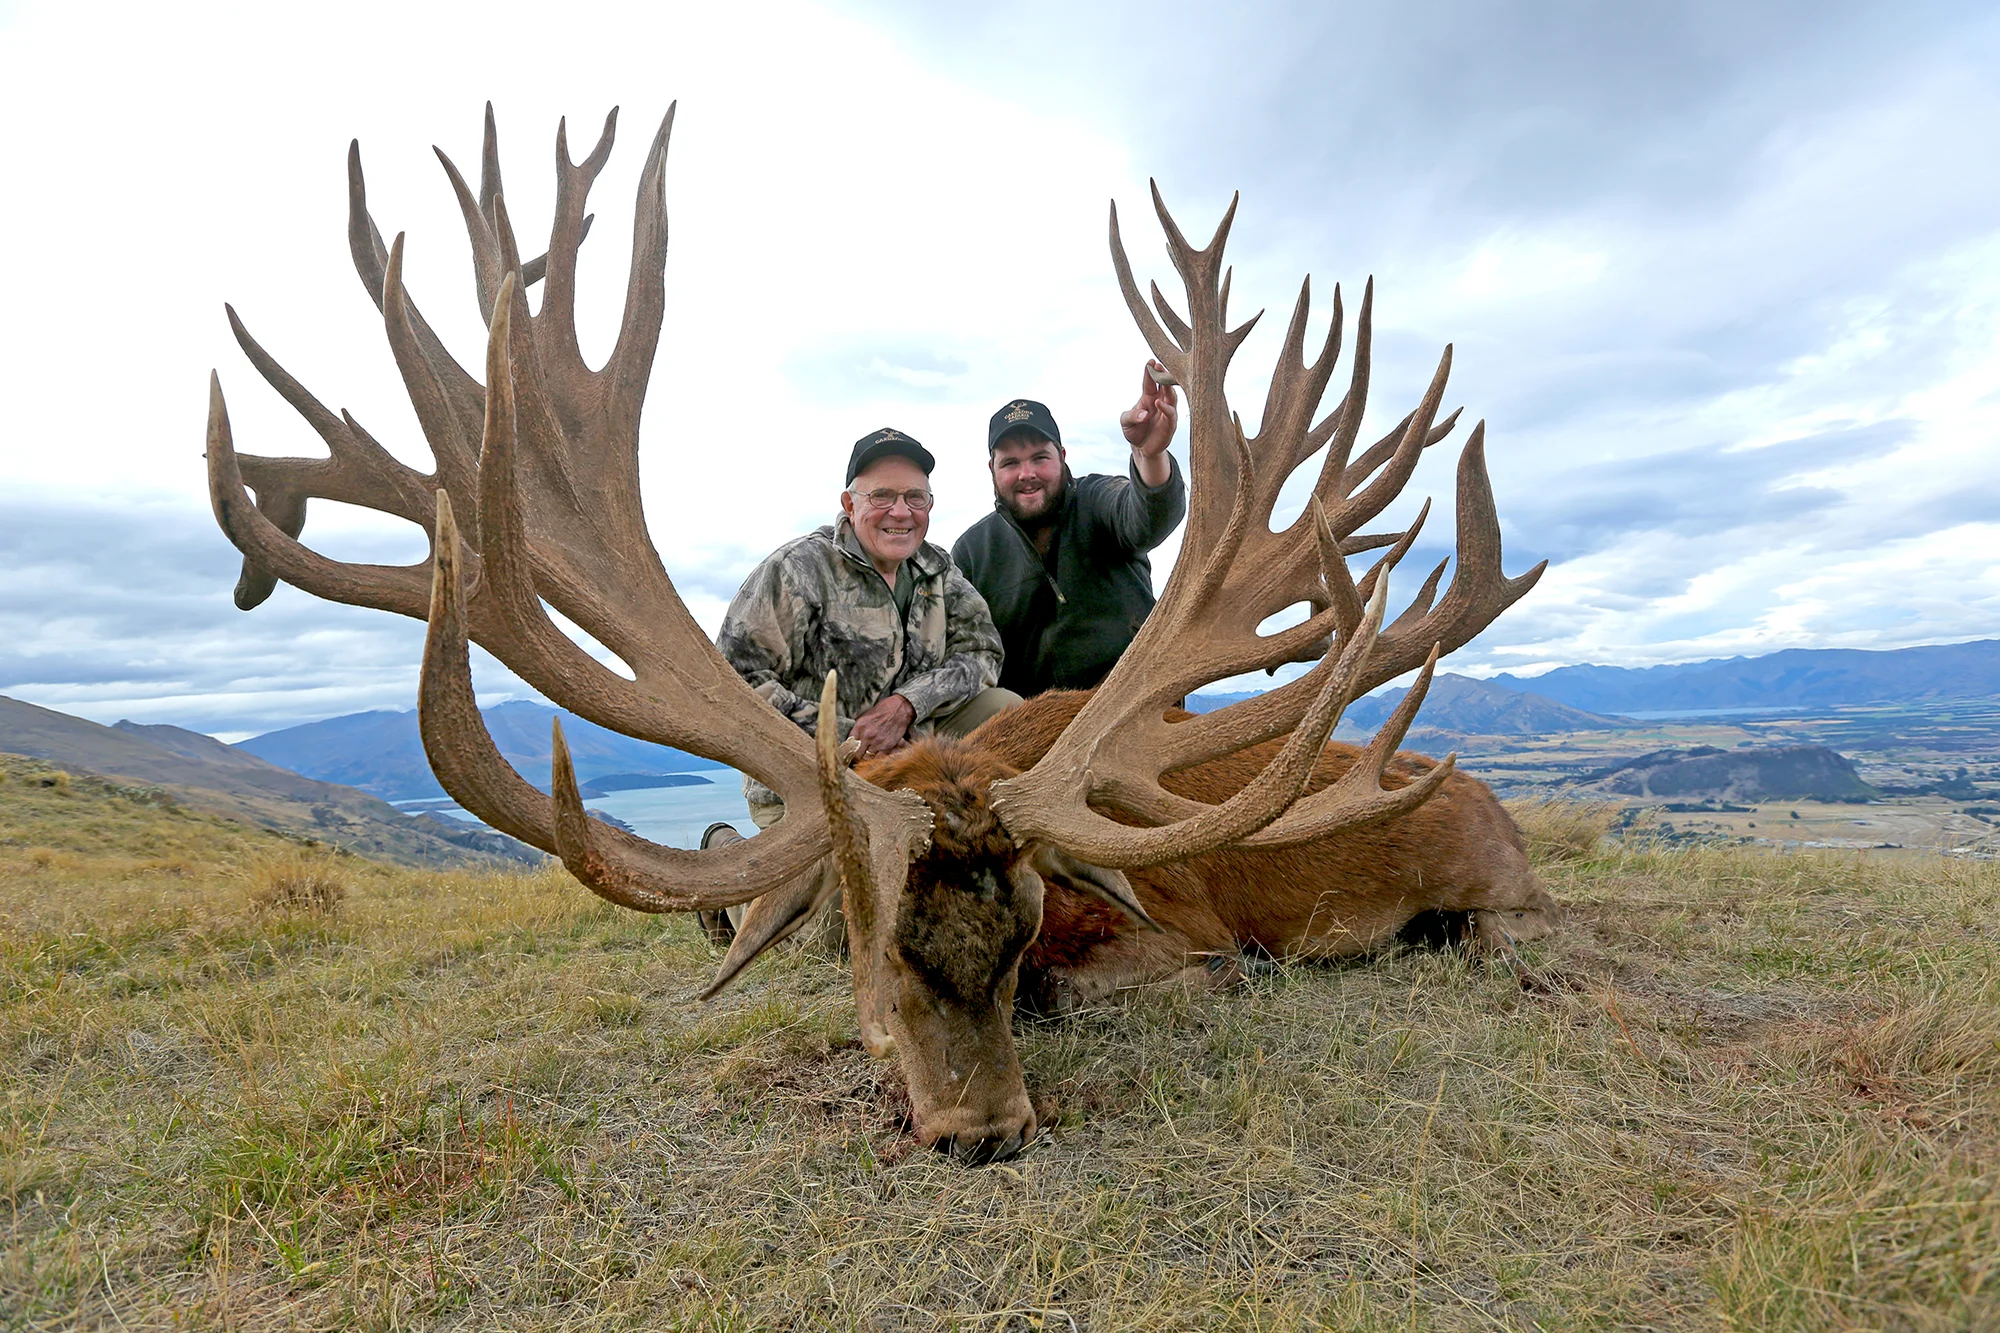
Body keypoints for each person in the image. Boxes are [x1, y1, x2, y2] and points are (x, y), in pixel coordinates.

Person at [700, 428, 1020, 939]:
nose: (901, 512)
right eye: (883, 497)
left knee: (1004, 710)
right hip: (811, 781)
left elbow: (983, 652)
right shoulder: (798, 570)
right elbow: (735, 683)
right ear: (849, 504)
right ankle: (731, 865)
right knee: (832, 931)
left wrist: (908, 706)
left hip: (913, 767)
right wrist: (851, 737)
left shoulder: (936, 571)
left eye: (915, 497)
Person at [951, 361, 1187, 697]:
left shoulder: (1100, 502)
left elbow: (1149, 519)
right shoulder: (973, 552)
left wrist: (1150, 455)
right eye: (1010, 463)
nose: (1026, 473)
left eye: (1039, 458)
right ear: (992, 469)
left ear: (1061, 457)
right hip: (1031, 733)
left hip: (1131, 702)